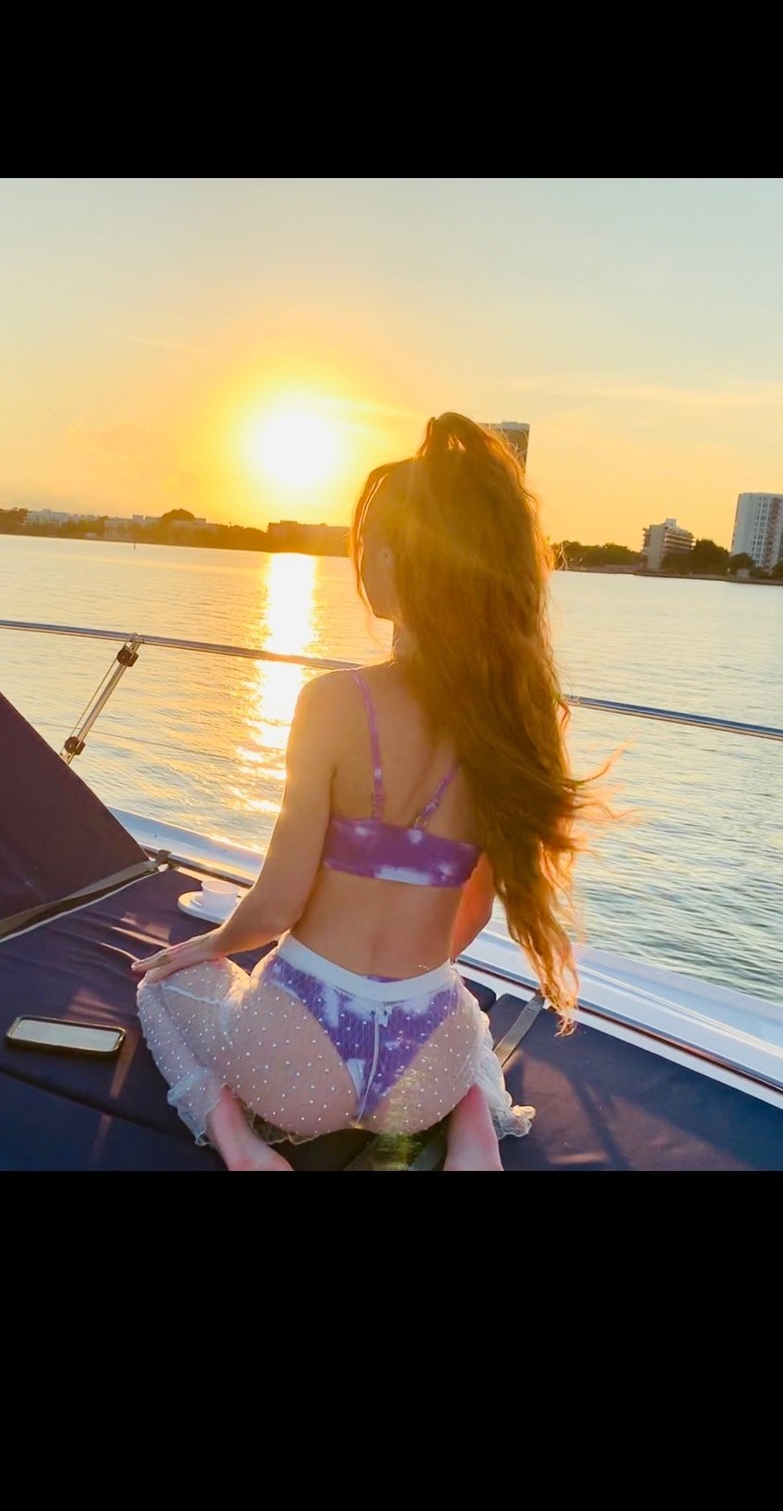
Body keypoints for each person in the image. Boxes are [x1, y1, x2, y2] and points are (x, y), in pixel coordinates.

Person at [136, 413, 611, 1170]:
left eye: (365, 547)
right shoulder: (513, 724)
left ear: (392, 559)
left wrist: (210, 945)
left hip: (300, 1066)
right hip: (422, 1076)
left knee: (163, 986)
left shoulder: (332, 703)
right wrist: (402, 981)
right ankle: (474, 1130)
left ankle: (241, 1147)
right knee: (460, 1005)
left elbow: (276, 904)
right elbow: (473, 910)